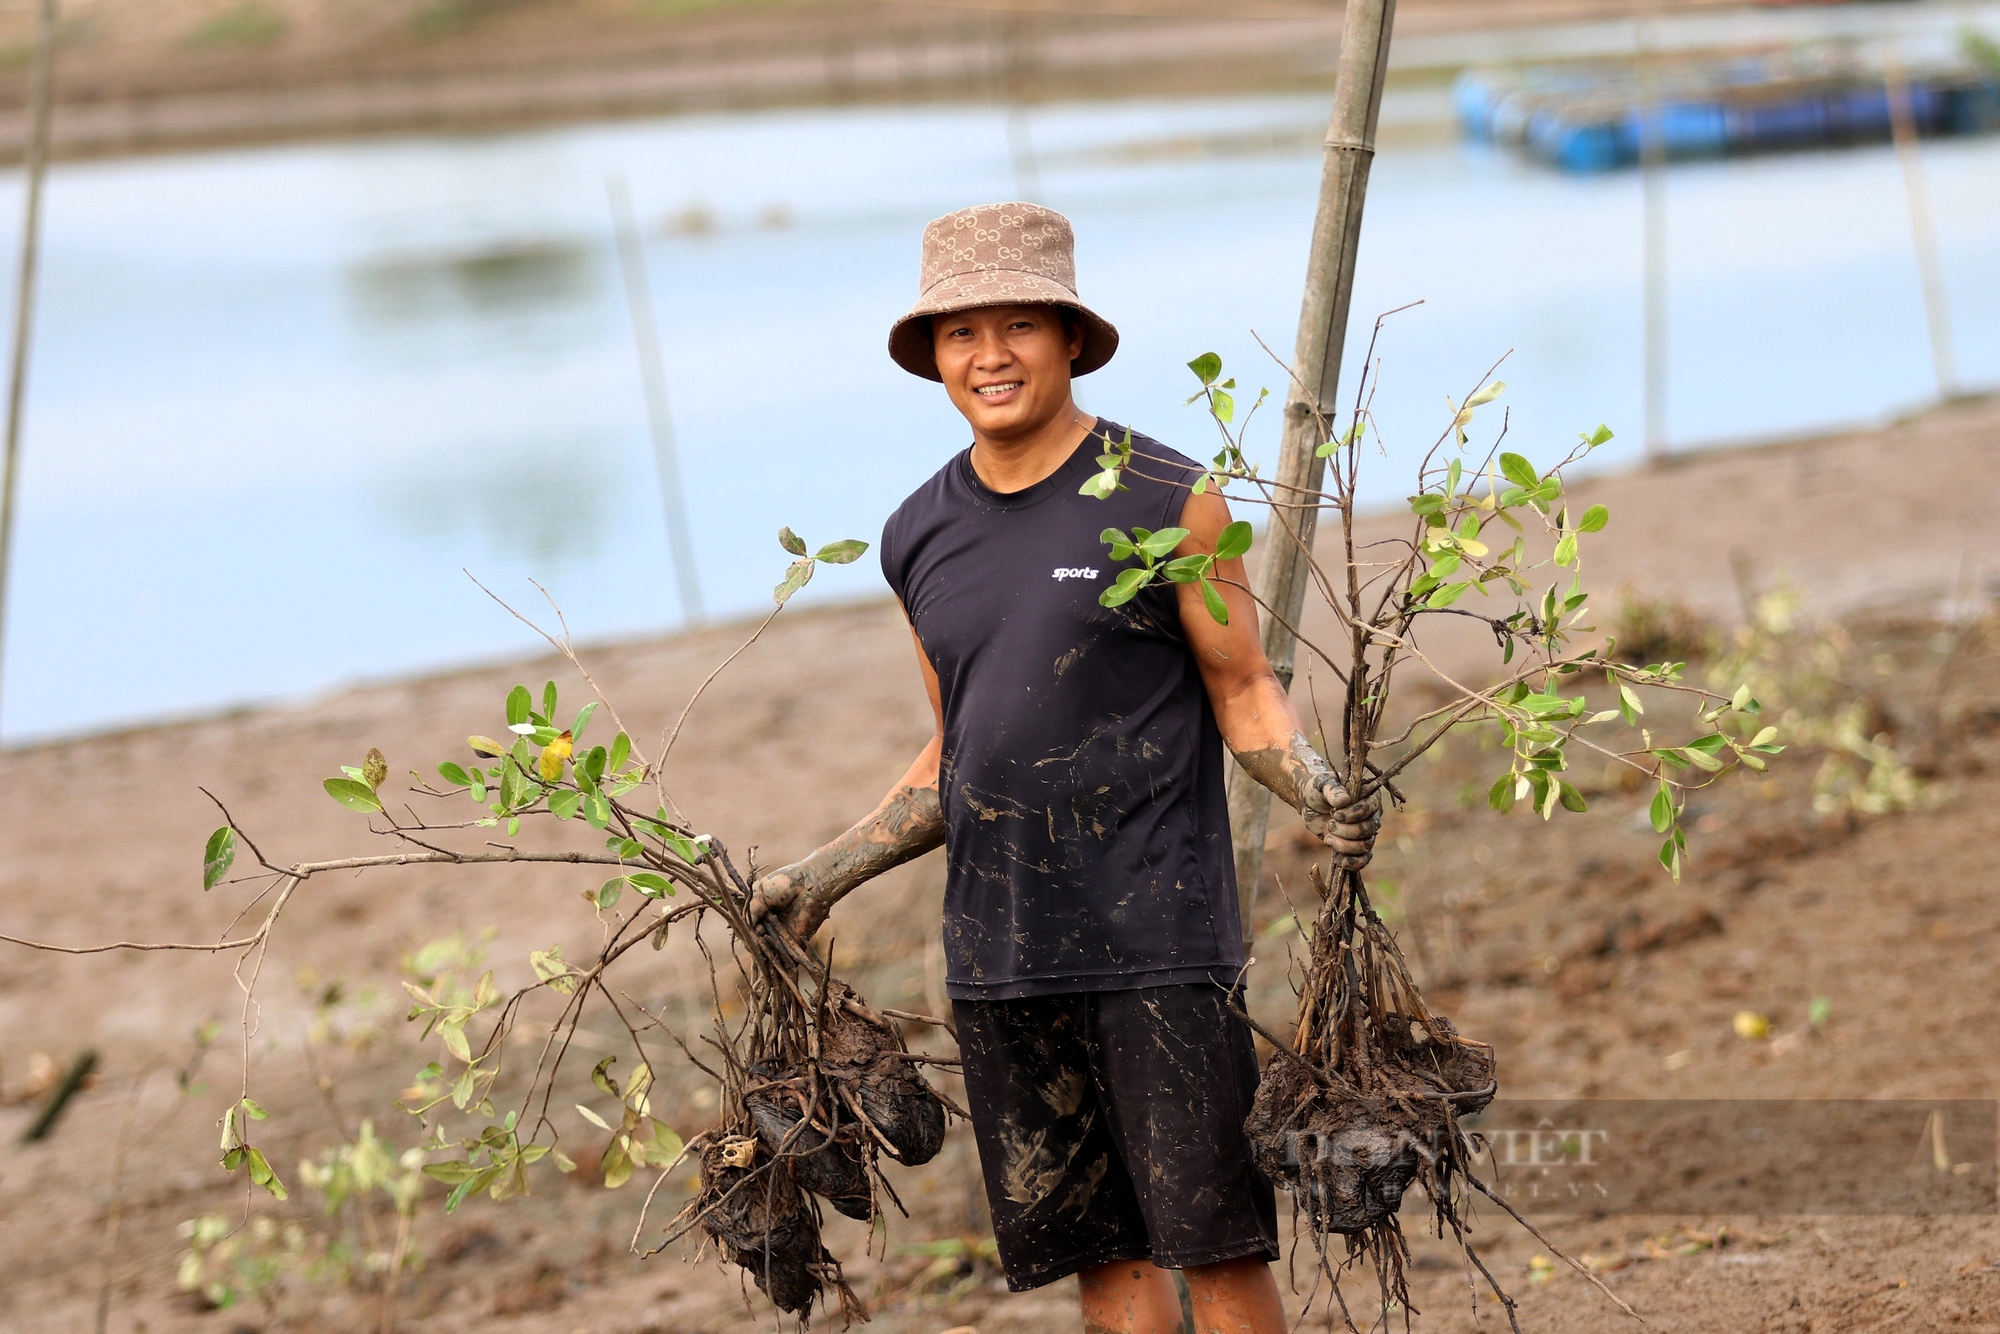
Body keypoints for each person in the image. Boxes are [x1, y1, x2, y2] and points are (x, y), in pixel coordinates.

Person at [750, 202, 1380, 1334]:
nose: (987, 356)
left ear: (1068, 338)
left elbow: (1241, 690)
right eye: (958, 334)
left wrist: (1317, 788)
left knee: (1216, 1245)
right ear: (933, 357)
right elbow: (956, 748)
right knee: (1105, 1258)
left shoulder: (1165, 494)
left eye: (1016, 326)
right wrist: (824, 871)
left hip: (1159, 940)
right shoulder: (915, 532)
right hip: (1001, 954)